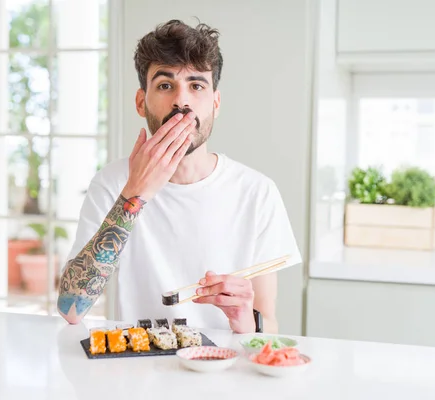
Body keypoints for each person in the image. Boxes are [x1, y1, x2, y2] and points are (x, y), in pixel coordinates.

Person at [57, 19, 301, 334]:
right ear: (140, 101)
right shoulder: (112, 184)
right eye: (165, 85)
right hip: (139, 370)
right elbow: (70, 308)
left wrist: (243, 316)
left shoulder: (257, 192)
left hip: (223, 371)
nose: (181, 101)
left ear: (215, 102)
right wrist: (134, 193)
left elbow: (269, 324)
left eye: (196, 85)